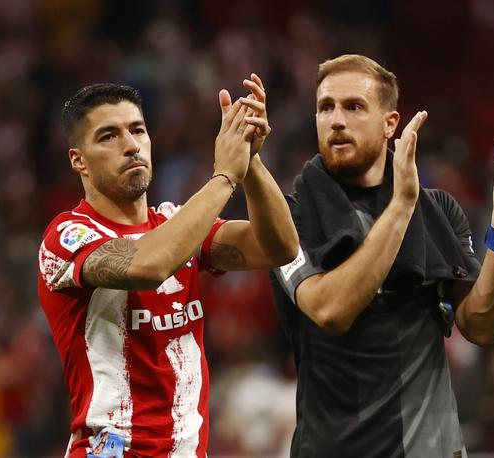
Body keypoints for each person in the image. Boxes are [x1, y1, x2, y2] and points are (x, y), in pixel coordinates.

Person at [270, 54, 494, 457]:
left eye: (354, 106)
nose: (336, 120)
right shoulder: (291, 215)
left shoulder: (438, 211)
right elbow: (331, 309)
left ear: (390, 124)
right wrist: (400, 206)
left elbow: (482, 326)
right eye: (325, 107)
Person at [37, 76, 299, 458]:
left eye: (137, 130)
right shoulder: (66, 236)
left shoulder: (176, 224)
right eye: (108, 136)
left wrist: (250, 159)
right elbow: (149, 264)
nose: (130, 146)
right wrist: (225, 175)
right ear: (79, 160)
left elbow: (279, 247)